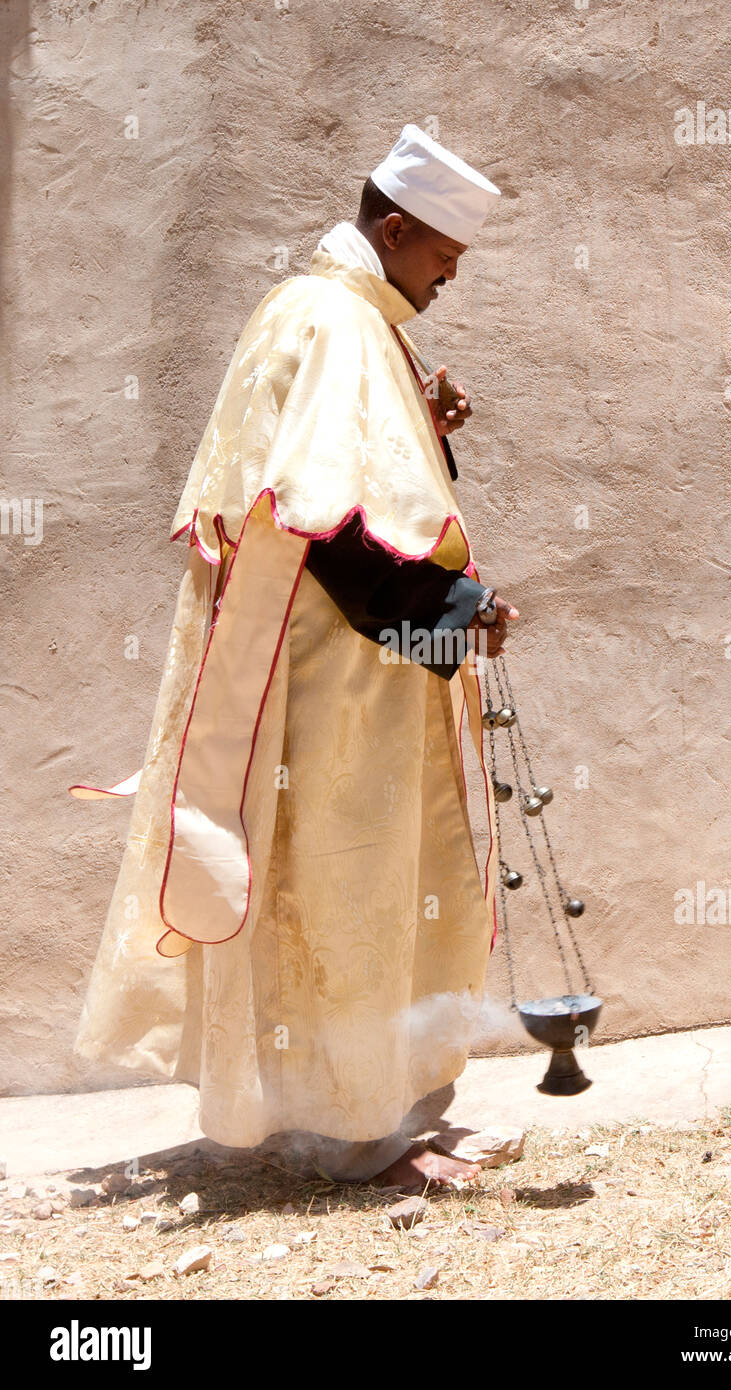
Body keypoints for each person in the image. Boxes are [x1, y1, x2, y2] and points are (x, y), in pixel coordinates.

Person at [71, 124, 518, 1192]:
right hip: (332, 677)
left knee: (330, 892)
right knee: (347, 889)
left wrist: (425, 422)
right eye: (440, 266)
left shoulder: (314, 308)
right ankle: (354, 1134)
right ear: (397, 227)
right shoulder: (338, 322)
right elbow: (328, 521)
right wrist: (452, 606)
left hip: (316, 667)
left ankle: (357, 1118)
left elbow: (345, 474)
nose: (443, 289)